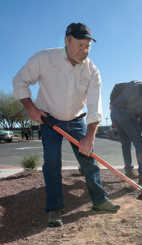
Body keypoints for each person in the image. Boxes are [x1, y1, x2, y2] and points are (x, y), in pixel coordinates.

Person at [13, 22, 120, 227]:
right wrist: (31, 108)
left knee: (89, 161)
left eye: (88, 46)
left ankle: (100, 201)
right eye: (80, 45)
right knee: (52, 164)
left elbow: (95, 105)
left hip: (77, 120)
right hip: (49, 120)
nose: (85, 50)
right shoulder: (44, 59)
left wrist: (89, 137)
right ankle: (54, 209)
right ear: (67, 40)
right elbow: (19, 80)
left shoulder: (92, 71)